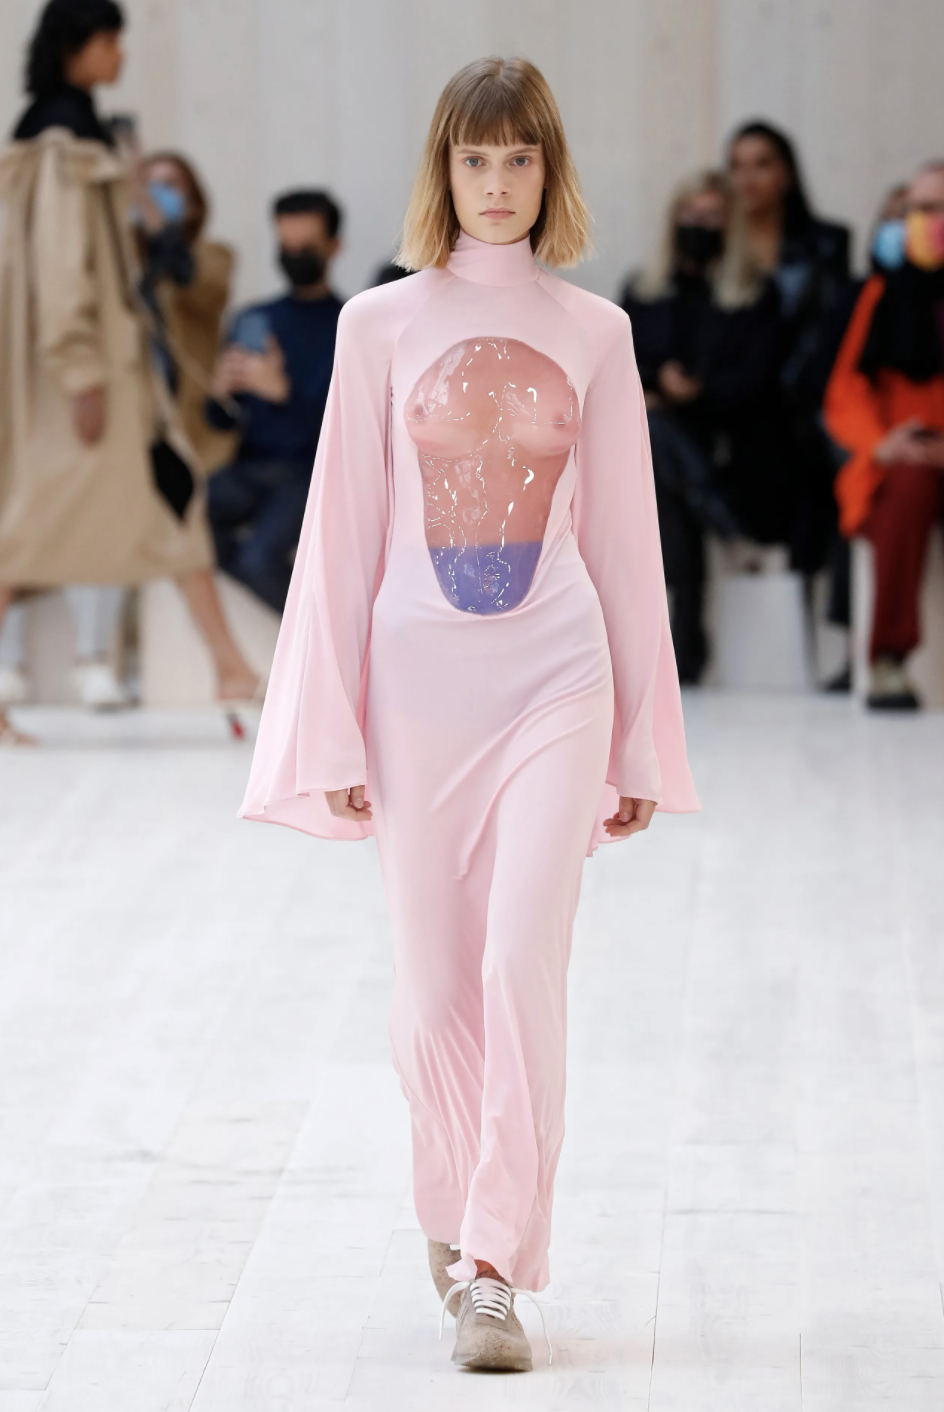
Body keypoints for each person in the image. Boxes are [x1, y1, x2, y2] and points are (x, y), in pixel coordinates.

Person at [238, 57, 698, 1371]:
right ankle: (450, 1210)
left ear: (551, 171)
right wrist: (329, 726)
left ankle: (495, 1268)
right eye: (474, 158)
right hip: (414, 693)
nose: (497, 183)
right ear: (443, 171)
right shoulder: (377, 325)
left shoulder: (595, 331)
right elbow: (341, 536)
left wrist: (638, 738)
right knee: (435, 984)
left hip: (558, 677)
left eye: (520, 158)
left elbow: (625, 547)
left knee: (517, 967)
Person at [0, 0, 259, 742]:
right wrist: (80, 370)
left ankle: (231, 667)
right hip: (84, 381)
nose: (120, 55)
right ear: (76, 47)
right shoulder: (62, 143)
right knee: (21, 534)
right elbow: (61, 268)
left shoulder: (71, 133)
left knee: (172, 496)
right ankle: (231, 668)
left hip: (110, 377)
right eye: (110, 41)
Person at [621, 170, 779, 682]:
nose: (698, 226)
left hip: (724, 437)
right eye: (690, 215)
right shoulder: (642, 290)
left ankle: (682, 644)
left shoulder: (755, 294)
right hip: (653, 437)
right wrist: (654, 383)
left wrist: (695, 393)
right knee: (657, 446)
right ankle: (711, 513)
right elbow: (617, 366)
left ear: (730, 225)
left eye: (712, 217)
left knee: (661, 460)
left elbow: (756, 379)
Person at [824, 161, 944, 710]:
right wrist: (883, 442)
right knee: (906, 489)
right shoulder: (881, 294)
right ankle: (890, 660)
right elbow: (846, 391)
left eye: (935, 209)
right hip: (902, 452)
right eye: (914, 210)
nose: (922, 221)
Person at [205, 190, 344, 612]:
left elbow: (346, 430)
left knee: (259, 559)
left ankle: (320, 638)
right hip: (249, 468)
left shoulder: (349, 324)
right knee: (185, 527)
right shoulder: (254, 318)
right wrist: (219, 394)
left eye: (306, 246)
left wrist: (282, 393)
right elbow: (219, 421)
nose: (294, 255)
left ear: (333, 246)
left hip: (308, 474)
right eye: (286, 245)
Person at [727, 120, 853, 571]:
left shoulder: (826, 243)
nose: (747, 179)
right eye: (737, 166)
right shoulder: (719, 247)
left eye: (761, 165)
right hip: (742, 402)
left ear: (786, 173)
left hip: (805, 397)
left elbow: (831, 332)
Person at [136, 150, 238, 475]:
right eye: (148, 186)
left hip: (190, 424)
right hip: (135, 420)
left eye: (169, 185)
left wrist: (162, 232)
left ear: (193, 202)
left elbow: (199, 287)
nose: (155, 194)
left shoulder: (214, 256)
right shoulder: (126, 265)